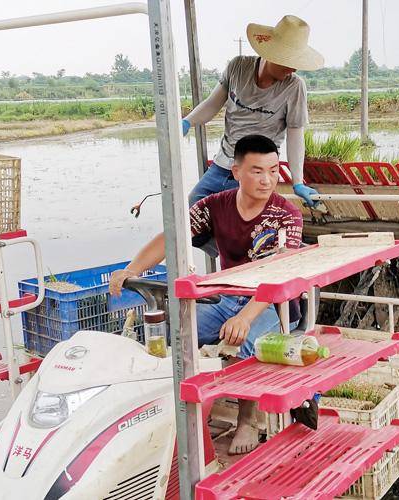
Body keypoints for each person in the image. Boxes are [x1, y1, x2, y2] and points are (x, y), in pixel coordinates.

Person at [109, 134, 302, 455]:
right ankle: (176, 408)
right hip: (226, 295)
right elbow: (171, 237)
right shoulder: (214, 205)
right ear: (236, 171)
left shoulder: (286, 215)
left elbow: (278, 273)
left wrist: (245, 317)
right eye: (257, 171)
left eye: (273, 170)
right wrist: (132, 269)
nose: (267, 180)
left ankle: (247, 419)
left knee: (243, 342)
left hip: (272, 302)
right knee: (180, 331)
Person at [182, 14, 323, 209]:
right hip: (222, 165)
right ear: (271, 53)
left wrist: (297, 181)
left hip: (257, 172)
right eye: (288, 61)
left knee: (238, 226)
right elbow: (212, 104)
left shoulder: (294, 86)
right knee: (192, 214)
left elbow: (295, 134)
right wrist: (187, 122)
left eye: (296, 62)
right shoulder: (238, 67)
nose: (293, 69)